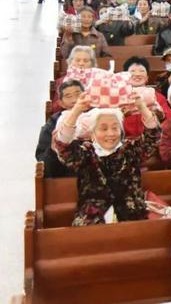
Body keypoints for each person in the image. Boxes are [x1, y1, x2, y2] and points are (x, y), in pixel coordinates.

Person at [51, 93, 161, 225]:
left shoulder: (130, 150)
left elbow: (153, 136)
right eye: (103, 128)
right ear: (92, 134)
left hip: (132, 218)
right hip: (91, 221)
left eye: (115, 128)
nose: (110, 133)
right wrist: (76, 110)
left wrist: (141, 106)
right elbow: (63, 146)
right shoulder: (85, 154)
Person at [36, 79, 83, 178]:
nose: (74, 100)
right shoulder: (53, 123)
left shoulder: (98, 115)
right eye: (68, 96)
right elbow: (43, 161)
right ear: (61, 103)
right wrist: (53, 150)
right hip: (66, 176)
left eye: (78, 94)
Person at [122, 56, 171, 138]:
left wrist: (158, 114)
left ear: (147, 78)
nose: (137, 74)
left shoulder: (157, 96)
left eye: (142, 71)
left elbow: (168, 120)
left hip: (152, 140)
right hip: (124, 140)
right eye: (132, 71)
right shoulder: (119, 97)